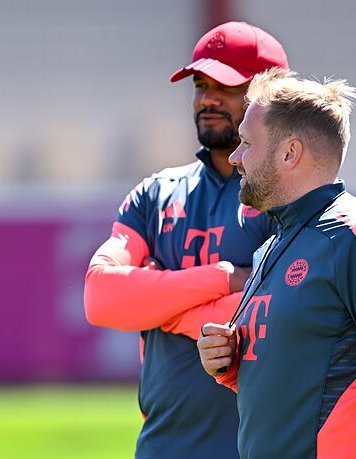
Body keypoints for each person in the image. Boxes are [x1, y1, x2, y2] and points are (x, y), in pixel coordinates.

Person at [197, 68, 356, 458]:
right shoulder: (275, 244)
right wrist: (228, 363)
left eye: (246, 143)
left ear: (290, 153)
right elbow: (304, 375)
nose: (236, 157)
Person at [83, 22, 288, 458]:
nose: (207, 99)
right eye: (200, 85)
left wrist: (159, 306)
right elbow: (100, 297)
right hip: (162, 447)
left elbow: (289, 313)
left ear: (271, 97)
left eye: (226, 87)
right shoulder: (154, 195)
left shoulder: (290, 198)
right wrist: (226, 279)